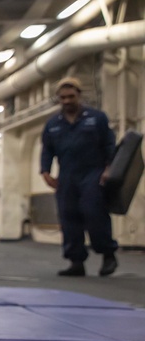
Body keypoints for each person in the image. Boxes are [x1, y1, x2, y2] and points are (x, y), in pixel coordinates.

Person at [40, 76, 118, 277]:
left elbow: (109, 144)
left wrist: (109, 168)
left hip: (93, 173)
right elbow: (47, 150)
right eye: (63, 97)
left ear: (79, 95)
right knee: (68, 217)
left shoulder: (96, 117)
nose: (67, 101)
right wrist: (45, 171)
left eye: (70, 96)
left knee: (94, 213)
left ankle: (107, 254)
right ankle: (76, 261)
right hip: (67, 175)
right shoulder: (52, 124)